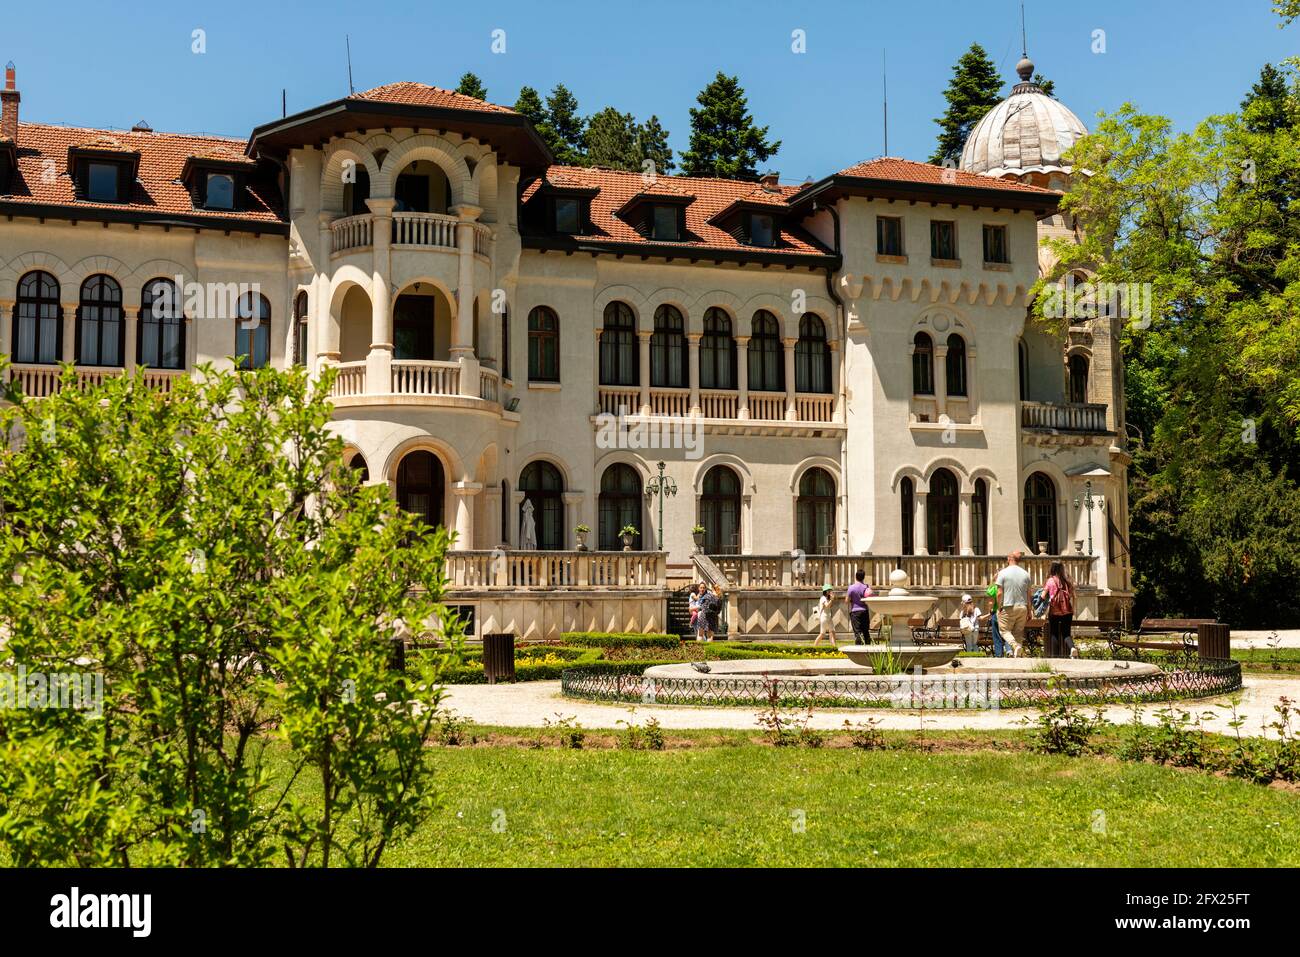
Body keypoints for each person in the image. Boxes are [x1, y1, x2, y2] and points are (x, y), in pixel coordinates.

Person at [994, 551, 1033, 658]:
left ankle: (1015, 646)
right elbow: (1029, 595)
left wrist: (999, 606)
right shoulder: (1026, 574)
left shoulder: (1003, 573)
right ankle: (1018, 654)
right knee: (1018, 632)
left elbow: (999, 593)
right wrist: (1030, 611)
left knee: (1004, 630)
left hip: (1008, 606)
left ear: (1010, 558)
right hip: (1023, 607)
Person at [1044, 561, 1076, 658]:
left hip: (1054, 611)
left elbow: (1043, 596)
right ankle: (1072, 648)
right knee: (1066, 633)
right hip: (1067, 611)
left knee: (1054, 633)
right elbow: (1075, 596)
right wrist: (1073, 609)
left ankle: (1055, 656)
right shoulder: (1067, 581)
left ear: (1052, 569)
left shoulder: (1050, 581)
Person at [846, 570, 873, 645]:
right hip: (864, 610)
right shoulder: (866, 587)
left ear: (856, 577)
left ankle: (858, 649)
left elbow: (846, 601)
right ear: (863, 577)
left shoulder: (851, 587)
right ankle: (868, 649)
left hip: (855, 611)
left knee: (857, 632)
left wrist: (853, 600)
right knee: (866, 631)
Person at [985, 582, 1008, 657]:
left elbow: (991, 602)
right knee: (1008, 633)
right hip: (1008, 612)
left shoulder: (994, 588)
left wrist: (990, 610)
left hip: (996, 612)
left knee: (997, 635)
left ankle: (999, 654)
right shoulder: (1008, 586)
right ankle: (1009, 651)